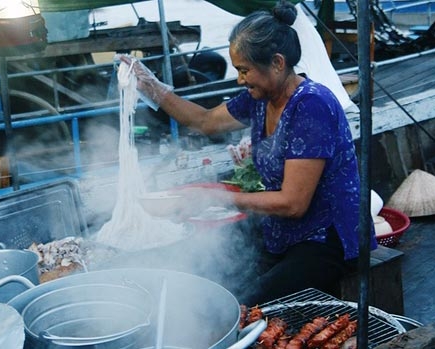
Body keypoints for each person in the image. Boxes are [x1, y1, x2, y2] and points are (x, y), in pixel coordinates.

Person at [120, 0, 377, 305]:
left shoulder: (312, 105)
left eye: (245, 70)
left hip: (327, 239)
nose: (240, 80)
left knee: (245, 302)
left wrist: (216, 198)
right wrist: (149, 85)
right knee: (206, 267)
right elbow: (204, 121)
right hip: (284, 229)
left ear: (278, 63)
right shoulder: (260, 98)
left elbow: (293, 203)